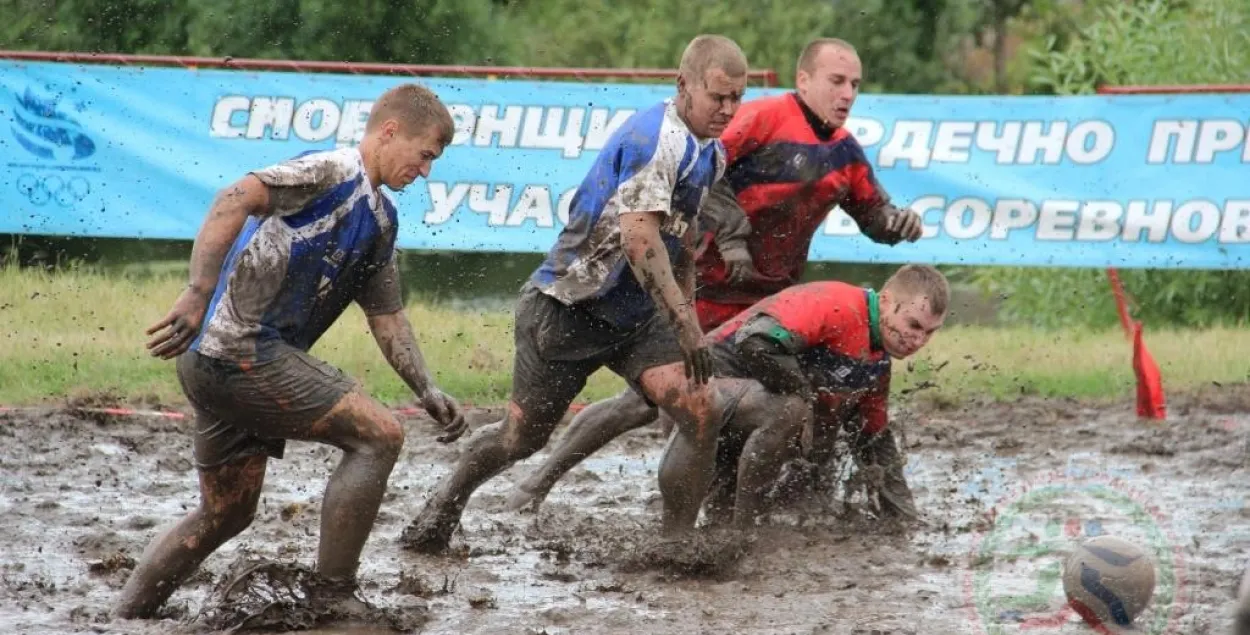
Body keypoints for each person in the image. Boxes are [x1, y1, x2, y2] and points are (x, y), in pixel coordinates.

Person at [504, 37, 925, 513]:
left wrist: (897, 224)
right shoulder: (762, 118)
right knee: (646, 402)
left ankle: (727, 510)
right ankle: (537, 483)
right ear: (803, 80)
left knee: (758, 407)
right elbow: (703, 166)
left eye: (854, 85)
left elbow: (873, 213)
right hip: (704, 288)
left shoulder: (846, 153)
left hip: (772, 307)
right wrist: (731, 237)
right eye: (836, 81)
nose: (847, 94)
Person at [113, 83, 468, 619]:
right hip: (239, 351)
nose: (425, 173)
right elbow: (235, 197)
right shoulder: (332, 171)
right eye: (425, 156)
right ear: (390, 131)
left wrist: (426, 387)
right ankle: (334, 596)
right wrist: (197, 290)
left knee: (226, 514)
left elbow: (388, 318)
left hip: (224, 361)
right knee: (380, 434)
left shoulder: (382, 221)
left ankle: (124, 617)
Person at [398, 34, 751, 553]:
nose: (727, 109)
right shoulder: (657, 138)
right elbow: (640, 238)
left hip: (635, 317)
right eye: (717, 96)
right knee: (521, 439)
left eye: (736, 98)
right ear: (683, 86)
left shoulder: (711, 154)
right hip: (569, 307)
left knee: (702, 407)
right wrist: (685, 325)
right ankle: (440, 509)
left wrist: (687, 317)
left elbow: (682, 242)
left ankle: (677, 545)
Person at [696, 265, 949, 526]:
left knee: (827, 430)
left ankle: (761, 513)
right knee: (796, 409)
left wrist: (904, 518)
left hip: (750, 403)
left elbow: (873, 440)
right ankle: (740, 527)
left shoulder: (878, 361)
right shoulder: (838, 305)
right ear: (886, 301)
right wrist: (805, 400)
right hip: (706, 381)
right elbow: (755, 342)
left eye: (930, 332)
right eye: (914, 325)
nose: (919, 340)